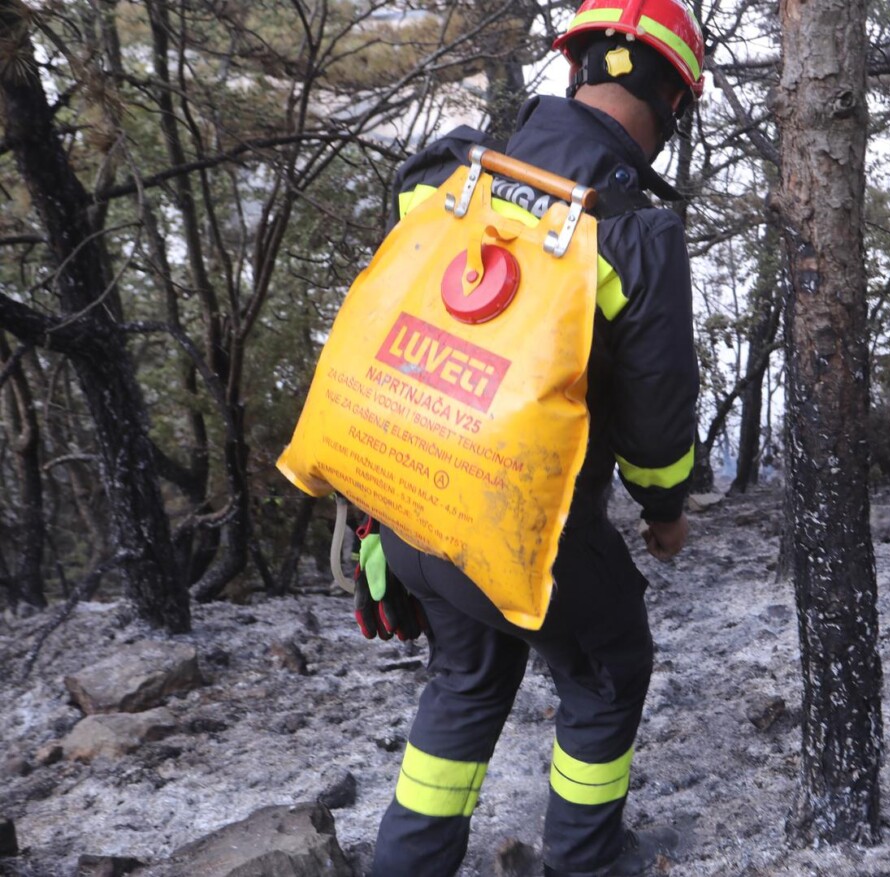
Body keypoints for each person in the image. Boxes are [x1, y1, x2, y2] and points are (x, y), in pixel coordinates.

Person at [357, 1, 705, 874]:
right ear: (673, 103)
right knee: (609, 658)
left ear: (576, 68)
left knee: (467, 675)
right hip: (519, 528)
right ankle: (588, 860)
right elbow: (657, 407)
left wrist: (370, 517)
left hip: (406, 504)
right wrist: (665, 507)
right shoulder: (631, 229)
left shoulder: (447, 173)